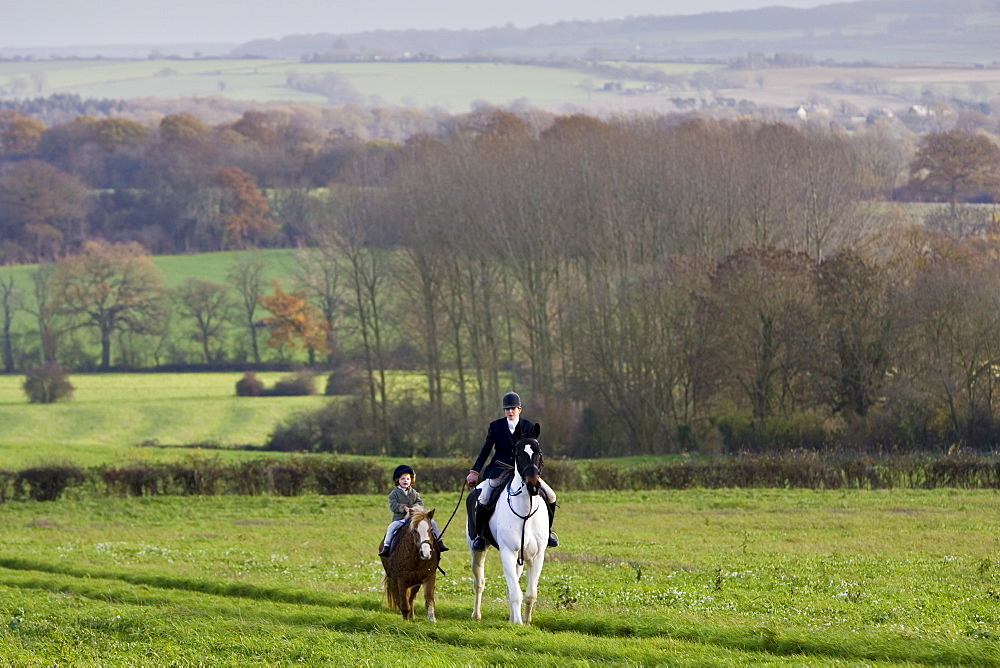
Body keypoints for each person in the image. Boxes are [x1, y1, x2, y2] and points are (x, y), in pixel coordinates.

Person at [465, 391, 558, 551]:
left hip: (524, 472)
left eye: (513, 408)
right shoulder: (496, 426)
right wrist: (475, 471)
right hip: (499, 470)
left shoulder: (529, 426)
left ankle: (547, 533)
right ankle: (480, 536)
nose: (510, 411)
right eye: (507, 409)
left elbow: (534, 452)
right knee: (484, 497)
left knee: (551, 495)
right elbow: (486, 449)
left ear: (519, 409)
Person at [379, 464, 448, 557]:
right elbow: (393, 506)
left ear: (411, 480)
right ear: (397, 480)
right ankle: (386, 547)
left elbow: (420, 502)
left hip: (414, 518)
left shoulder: (414, 492)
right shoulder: (394, 494)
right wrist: (404, 508)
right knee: (392, 527)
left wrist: (415, 509)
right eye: (403, 479)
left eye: (408, 479)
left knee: (432, 523)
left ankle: (439, 542)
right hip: (401, 519)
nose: (405, 481)